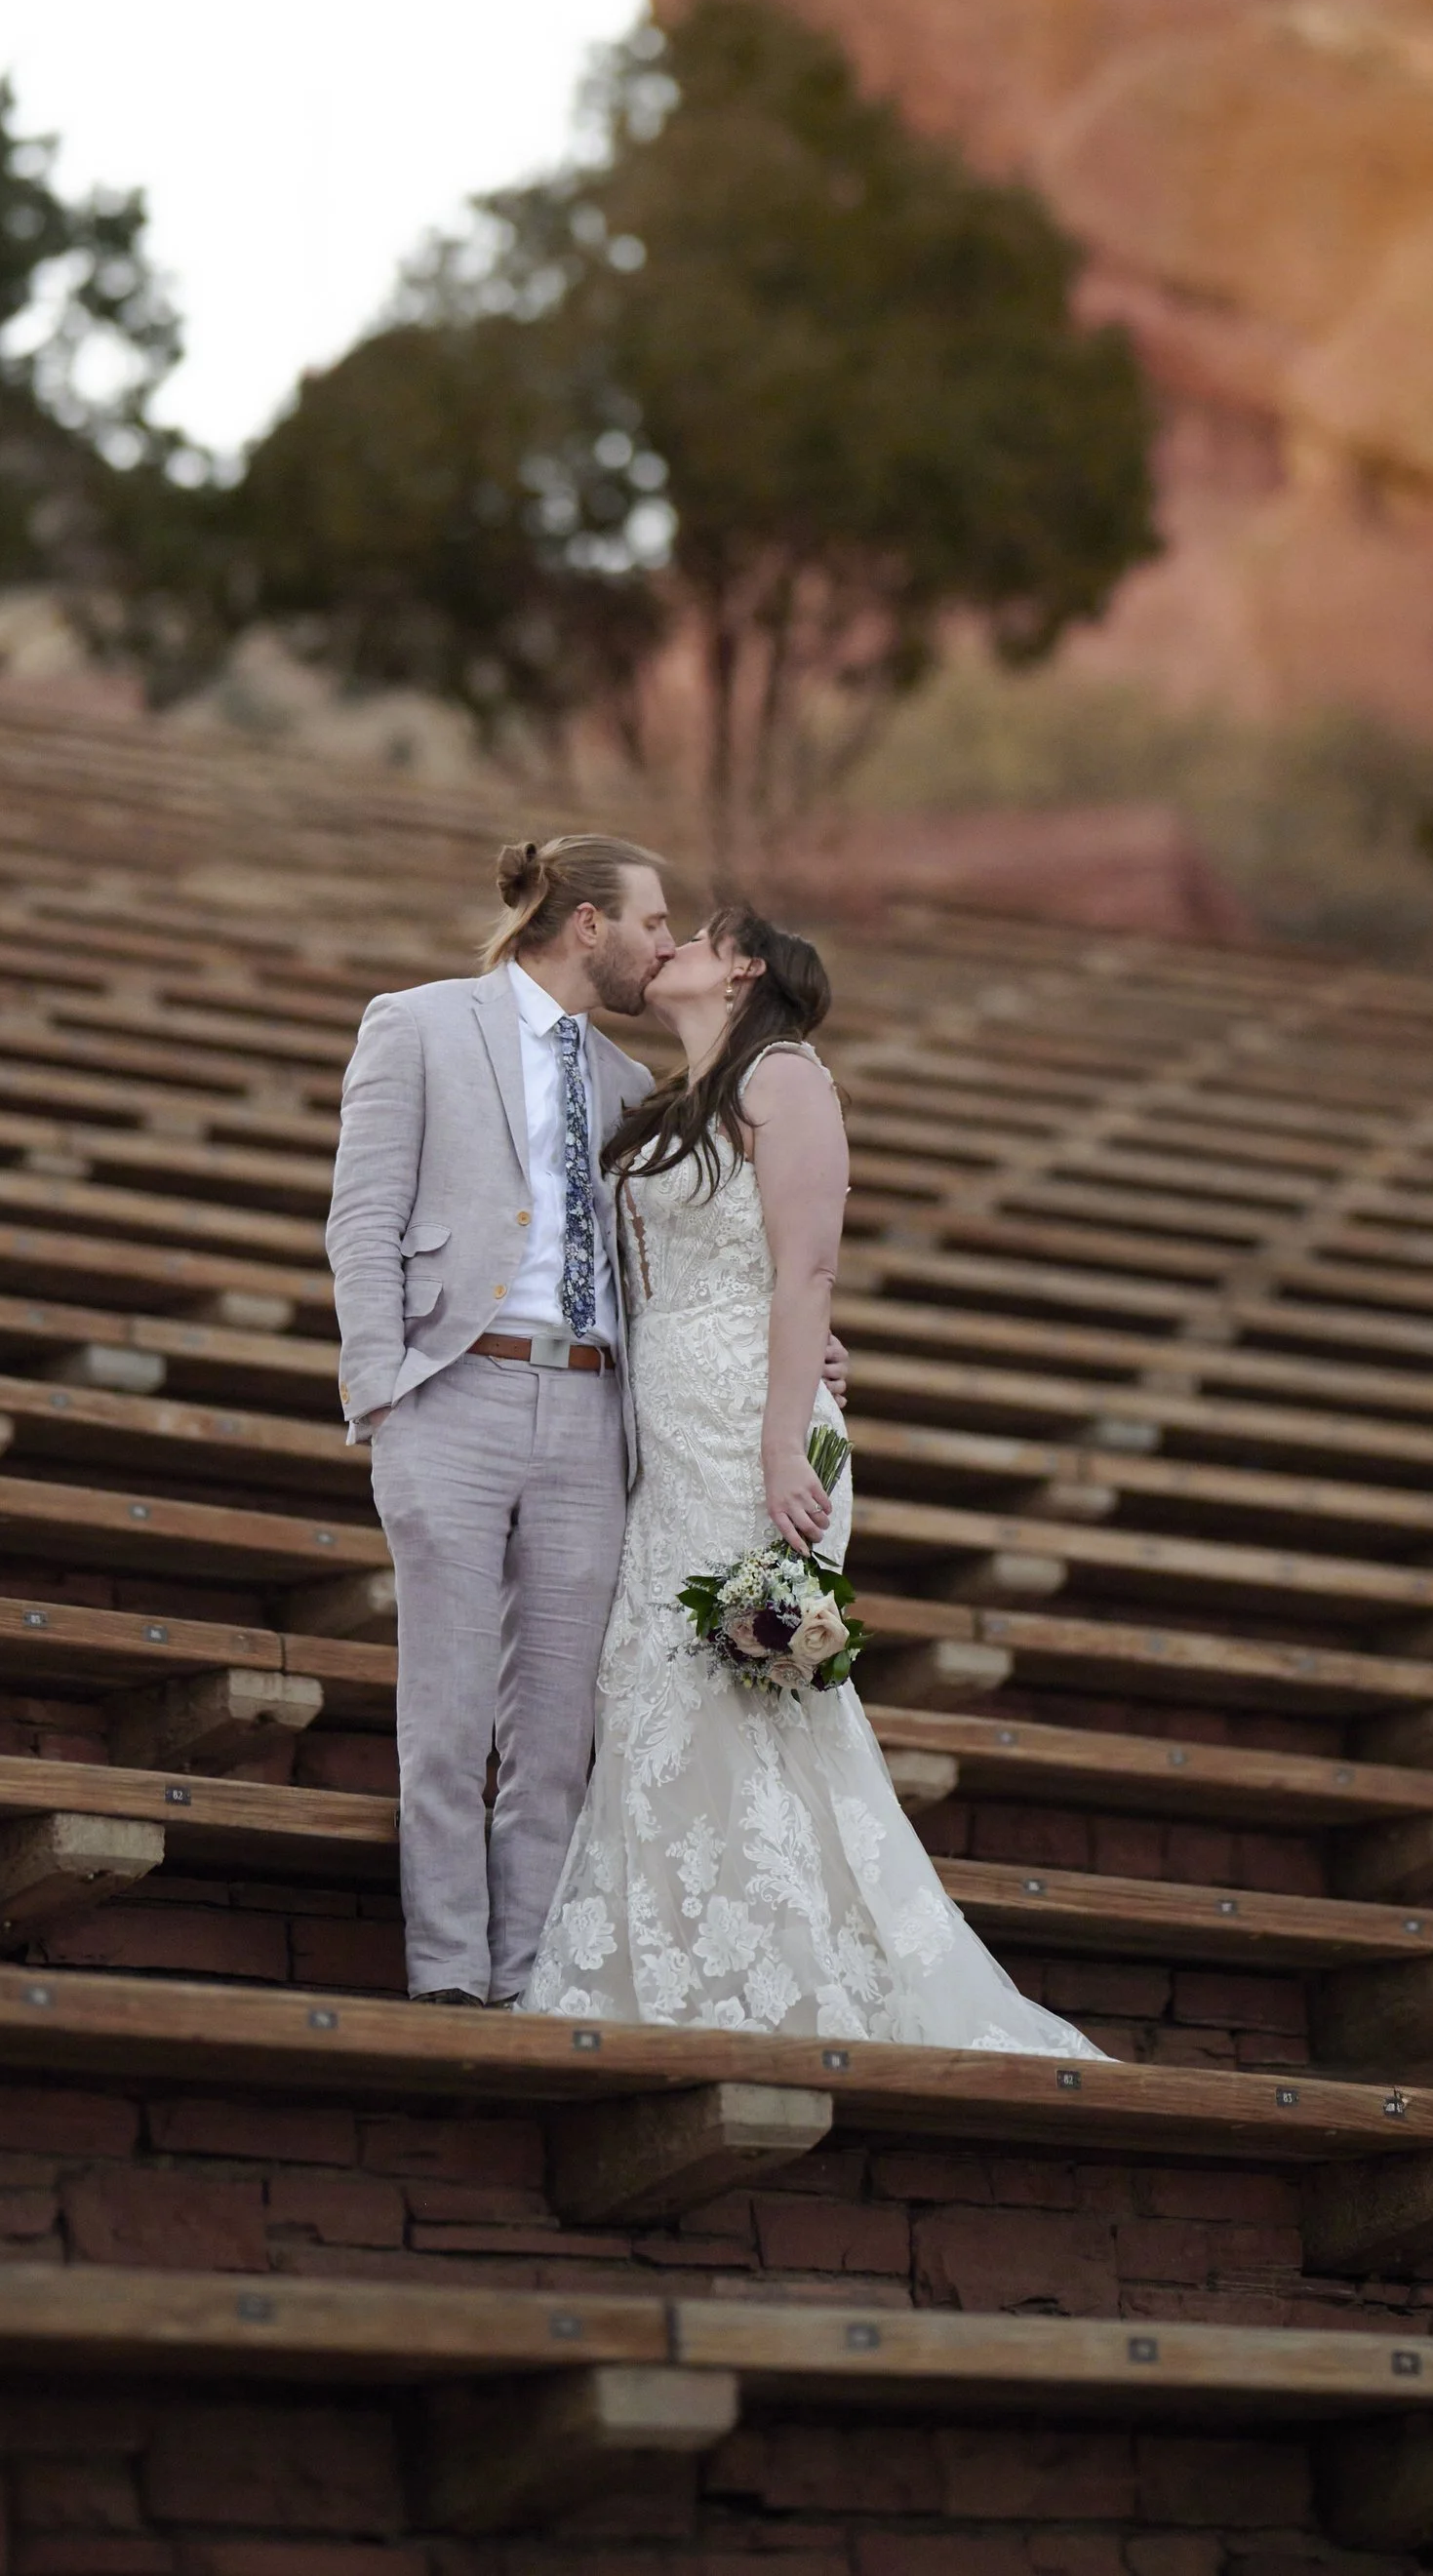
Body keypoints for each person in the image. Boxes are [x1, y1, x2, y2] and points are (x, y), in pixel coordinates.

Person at [522, 900, 1097, 2053]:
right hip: (668, 1431)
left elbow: (807, 1271)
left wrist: (786, 1439)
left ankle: (797, 1980)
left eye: (697, 934)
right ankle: (678, 1962)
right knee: (653, 1691)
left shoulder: (786, 1076)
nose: (670, 942)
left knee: (740, 1692)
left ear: (740, 971)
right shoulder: (678, 1100)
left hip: (753, 1433)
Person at [326, 835, 671, 2008]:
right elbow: (362, 1216)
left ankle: (528, 1976)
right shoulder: (417, 1024)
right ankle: (446, 1978)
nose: (664, 947)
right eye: (654, 923)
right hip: (454, 1393)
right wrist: (383, 1389)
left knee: (555, 1727)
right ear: (588, 924)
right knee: (447, 1711)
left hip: (589, 1410)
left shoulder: (631, 1089)